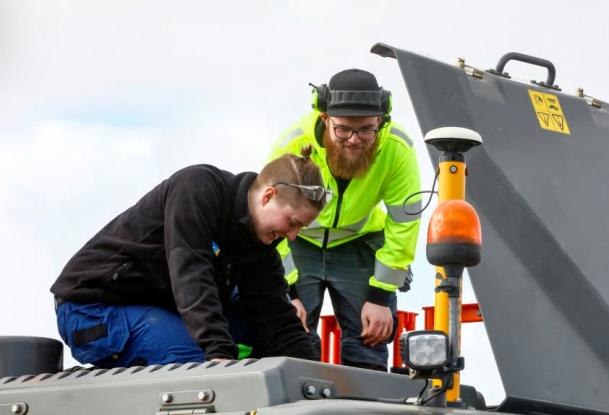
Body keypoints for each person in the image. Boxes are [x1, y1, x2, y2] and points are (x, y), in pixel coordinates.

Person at [51, 146, 331, 367]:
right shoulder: (199, 188)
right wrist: (219, 352)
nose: (293, 236)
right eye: (292, 222)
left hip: (166, 306)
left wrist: (314, 379)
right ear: (268, 196)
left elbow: (275, 314)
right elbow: (191, 273)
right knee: (196, 364)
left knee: (300, 343)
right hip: (94, 308)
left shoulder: (259, 244)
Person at [270, 69, 421, 371]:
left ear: (381, 120)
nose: (354, 140)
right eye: (343, 130)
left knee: (372, 337)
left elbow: (404, 224)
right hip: (298, 242)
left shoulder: (397, 149)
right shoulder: (291, 145)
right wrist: (289, 292)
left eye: (366, 130)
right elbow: (272, 224)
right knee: (288, 331)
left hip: (358, 244)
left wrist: (381, 296)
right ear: (325, 118)